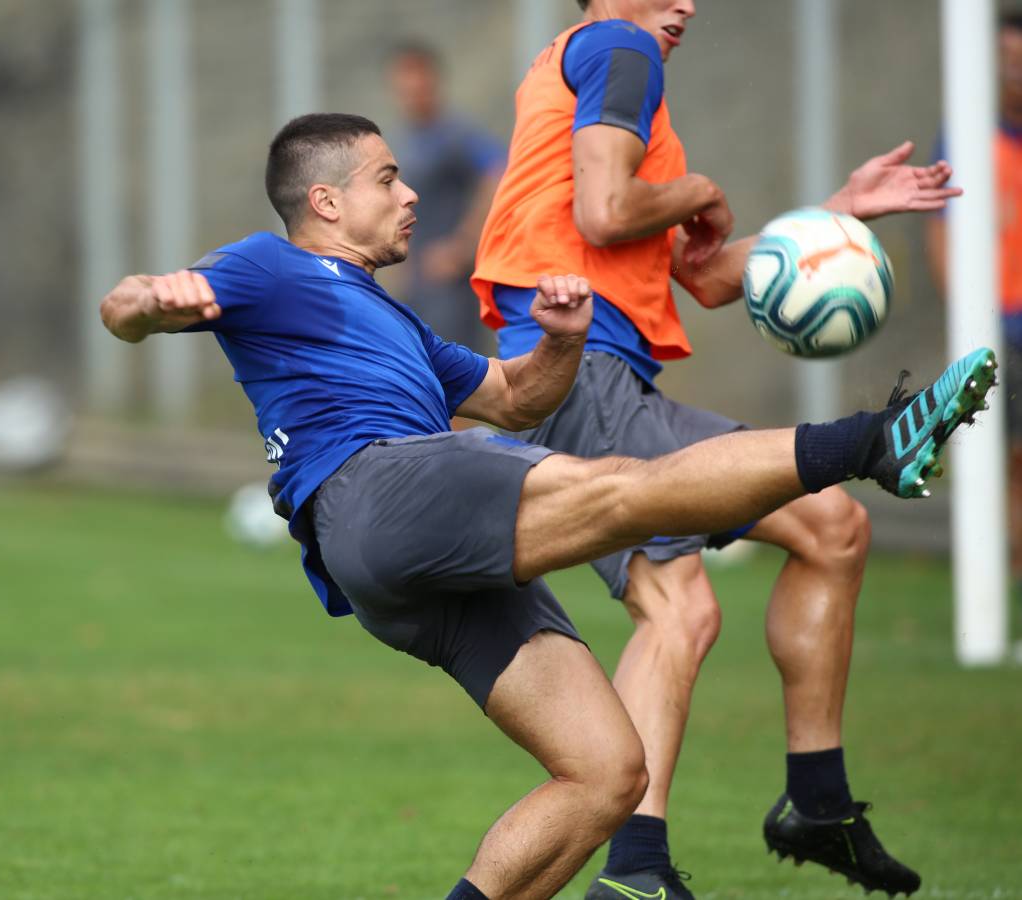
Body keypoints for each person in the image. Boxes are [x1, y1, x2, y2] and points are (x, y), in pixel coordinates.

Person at [100, 112, 994, 900]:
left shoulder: (399, 324)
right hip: (375, 486)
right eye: (386, 178)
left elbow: (517, 398)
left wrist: (562, 343)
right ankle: (878, 440)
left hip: (404, 563)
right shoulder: (270, 264)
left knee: (607, 774)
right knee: (620, 491)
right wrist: (151, 299)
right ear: (326, 202)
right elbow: (125, 308)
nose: (411, 194)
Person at [470, 2, 964, 898]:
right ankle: (635, 870)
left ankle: (816, 803)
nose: (687, 3)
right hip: (577, 369)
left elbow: (700, 276)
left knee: (831, 527)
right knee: (678, 605)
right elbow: (608, 208)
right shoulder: (618, 48)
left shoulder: (600, 72)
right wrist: (696, 190)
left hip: (601, 374)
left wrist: (837, 217)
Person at [925, 9, 1022, 577]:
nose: (1015, 72)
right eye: (1007, 60)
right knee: (1001, 458)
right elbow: (940, 226)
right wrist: (967, 315)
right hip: (997, 325)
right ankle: (1005, 572)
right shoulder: (967, 132)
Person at [387, 40, 506, 351]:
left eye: (418, 81)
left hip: (451, 287)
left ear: (433, 81)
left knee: (453, 375)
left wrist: (462, 246)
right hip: (416, 285)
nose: (412, 91)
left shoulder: (456, 133)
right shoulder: (404, 139)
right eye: (404, 84)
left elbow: (497, 173)